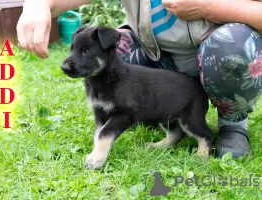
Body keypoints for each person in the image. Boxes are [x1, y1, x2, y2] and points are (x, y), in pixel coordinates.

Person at [17, 0, 262, 158]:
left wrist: (209, 7)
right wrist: (38, 4)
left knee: (233, 46)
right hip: (154, 58)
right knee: (112, 58)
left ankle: (232, 123)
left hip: (212, 56)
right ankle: (148, 115)